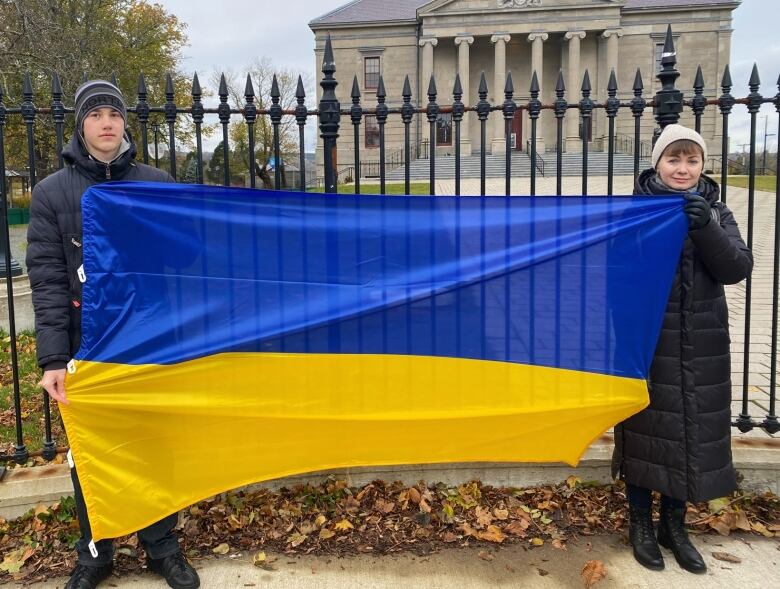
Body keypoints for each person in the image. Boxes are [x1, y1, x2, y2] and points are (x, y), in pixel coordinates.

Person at [26, 80, 200, 589]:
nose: (106, 121)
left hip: (146, 339)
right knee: (91, 450)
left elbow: (187, 256)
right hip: (87, 346)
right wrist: (53, 359)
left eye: (114, 113)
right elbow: (49, 282)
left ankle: (161, 546)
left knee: (150, 444)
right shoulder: (50, 193)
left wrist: (160, 223)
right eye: (96, 113)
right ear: (81, 125)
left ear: (125, 123)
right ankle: (96, 552)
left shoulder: (155, 182)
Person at [611, 124, 753, 574]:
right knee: (645, 431)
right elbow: (617, 272)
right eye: (674, 158)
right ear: (658, 163)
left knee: (688, 430)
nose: (683, 168)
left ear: (703, 166)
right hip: (650, 340)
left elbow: (736, 267)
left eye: (692, 160)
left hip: (703, 342)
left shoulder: (717, 211)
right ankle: (640, 523)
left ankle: (675, 525)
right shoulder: (637, 211)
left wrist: (706, 226)